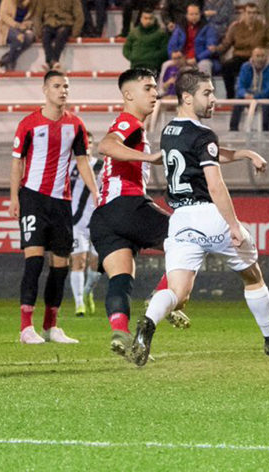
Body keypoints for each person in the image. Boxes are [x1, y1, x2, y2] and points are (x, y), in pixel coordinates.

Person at [131, 69, 269, 366]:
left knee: (177, 293)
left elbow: (205, 152)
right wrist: (234, 226)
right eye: (206, 93)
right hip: (208, 214)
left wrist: (245, 153)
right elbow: (215, 184)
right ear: (186, 97)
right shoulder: (204, 134)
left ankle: (146, 327)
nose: (214, 99)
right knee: (252, 276)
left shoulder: (170, 130)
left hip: (180, 219)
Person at [89, 68, 185, 360]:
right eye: (148, 88)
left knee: (121, 278)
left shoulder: (132, 124)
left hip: (104, 217)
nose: (155, 93)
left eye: (155, 87)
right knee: (188, 236)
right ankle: (164, 299)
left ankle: (121, 333)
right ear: (128, 94)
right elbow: (105, 145)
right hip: (126, 205)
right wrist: (149, 157)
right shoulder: (129, 122)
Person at [11, 70, 98, 344]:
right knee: (34, 262)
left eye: (66, 86)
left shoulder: (76, 125)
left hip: (62, 203)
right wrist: (14, 197)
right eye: (58, 86)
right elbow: (18, 163)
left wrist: (96, 191)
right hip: (33, 198)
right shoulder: (29, 124)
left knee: (61, 265)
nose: (63, 91)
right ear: (45, 90)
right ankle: (27, 328)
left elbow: (83, 161)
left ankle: (51, 326)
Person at [67, 137, 102, 316]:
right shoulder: (68, 167)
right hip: (76, 222)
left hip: (97, 221)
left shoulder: (101, 166)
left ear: (92, 145)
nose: (85, 145)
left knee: (96, 265)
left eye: (88, 142)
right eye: (83, 142)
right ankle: (79, 303)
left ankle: (88, 291)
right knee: (78, 262)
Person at [219, 2, 269, 98]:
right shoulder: (235, 27)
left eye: (254, 13)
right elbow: (226, 44)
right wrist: (215, 51)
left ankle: (267, 95)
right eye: (249, 13)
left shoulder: (262, 27)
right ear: (243, 13)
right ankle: (230, 96)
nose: (251, 15)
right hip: (240, 57)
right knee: (227, 66)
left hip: (258, 59)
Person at [33, 0, 83, 69]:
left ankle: (51, 61)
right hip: (49, 23)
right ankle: (54, 62)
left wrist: (75, 33)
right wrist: (38, 31)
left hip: (65, 23)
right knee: (45, 36)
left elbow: (79, 16)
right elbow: (38, 15)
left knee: (62, 33)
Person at [0, 0, 38, 71]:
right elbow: (3, 15)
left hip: (21, 27)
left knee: (30, 36)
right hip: (6, 26)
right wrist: (17, 25)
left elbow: (31, 18)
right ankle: (10, 61)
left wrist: (27, 24)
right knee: (20, 37)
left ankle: (8, 58)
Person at [230, 46, 269, 131]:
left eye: (262, 56)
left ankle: (265, 131)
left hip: (263, 96)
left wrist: (255, 97)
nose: (260, 59)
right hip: (248, 95)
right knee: (238, 101)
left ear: (266, 57)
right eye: (257, 56)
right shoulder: (245, 67)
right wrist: (245, 94)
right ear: (252, 57)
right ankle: (233, 129)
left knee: (266, 103)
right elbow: (240, 86)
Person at [167, 3, 220, 75]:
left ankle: (205, 86)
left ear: (200, 15)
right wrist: (173, 54)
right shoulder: (179, 28)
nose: (194, 16)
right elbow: (171, 45)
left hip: (201, 59)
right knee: (166, 65)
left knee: (204, 65)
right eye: (191, 14)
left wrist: (196, 59)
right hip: (182, 59)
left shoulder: (208, 28)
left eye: (196, 14)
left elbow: (211, 49)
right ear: (186, 15)